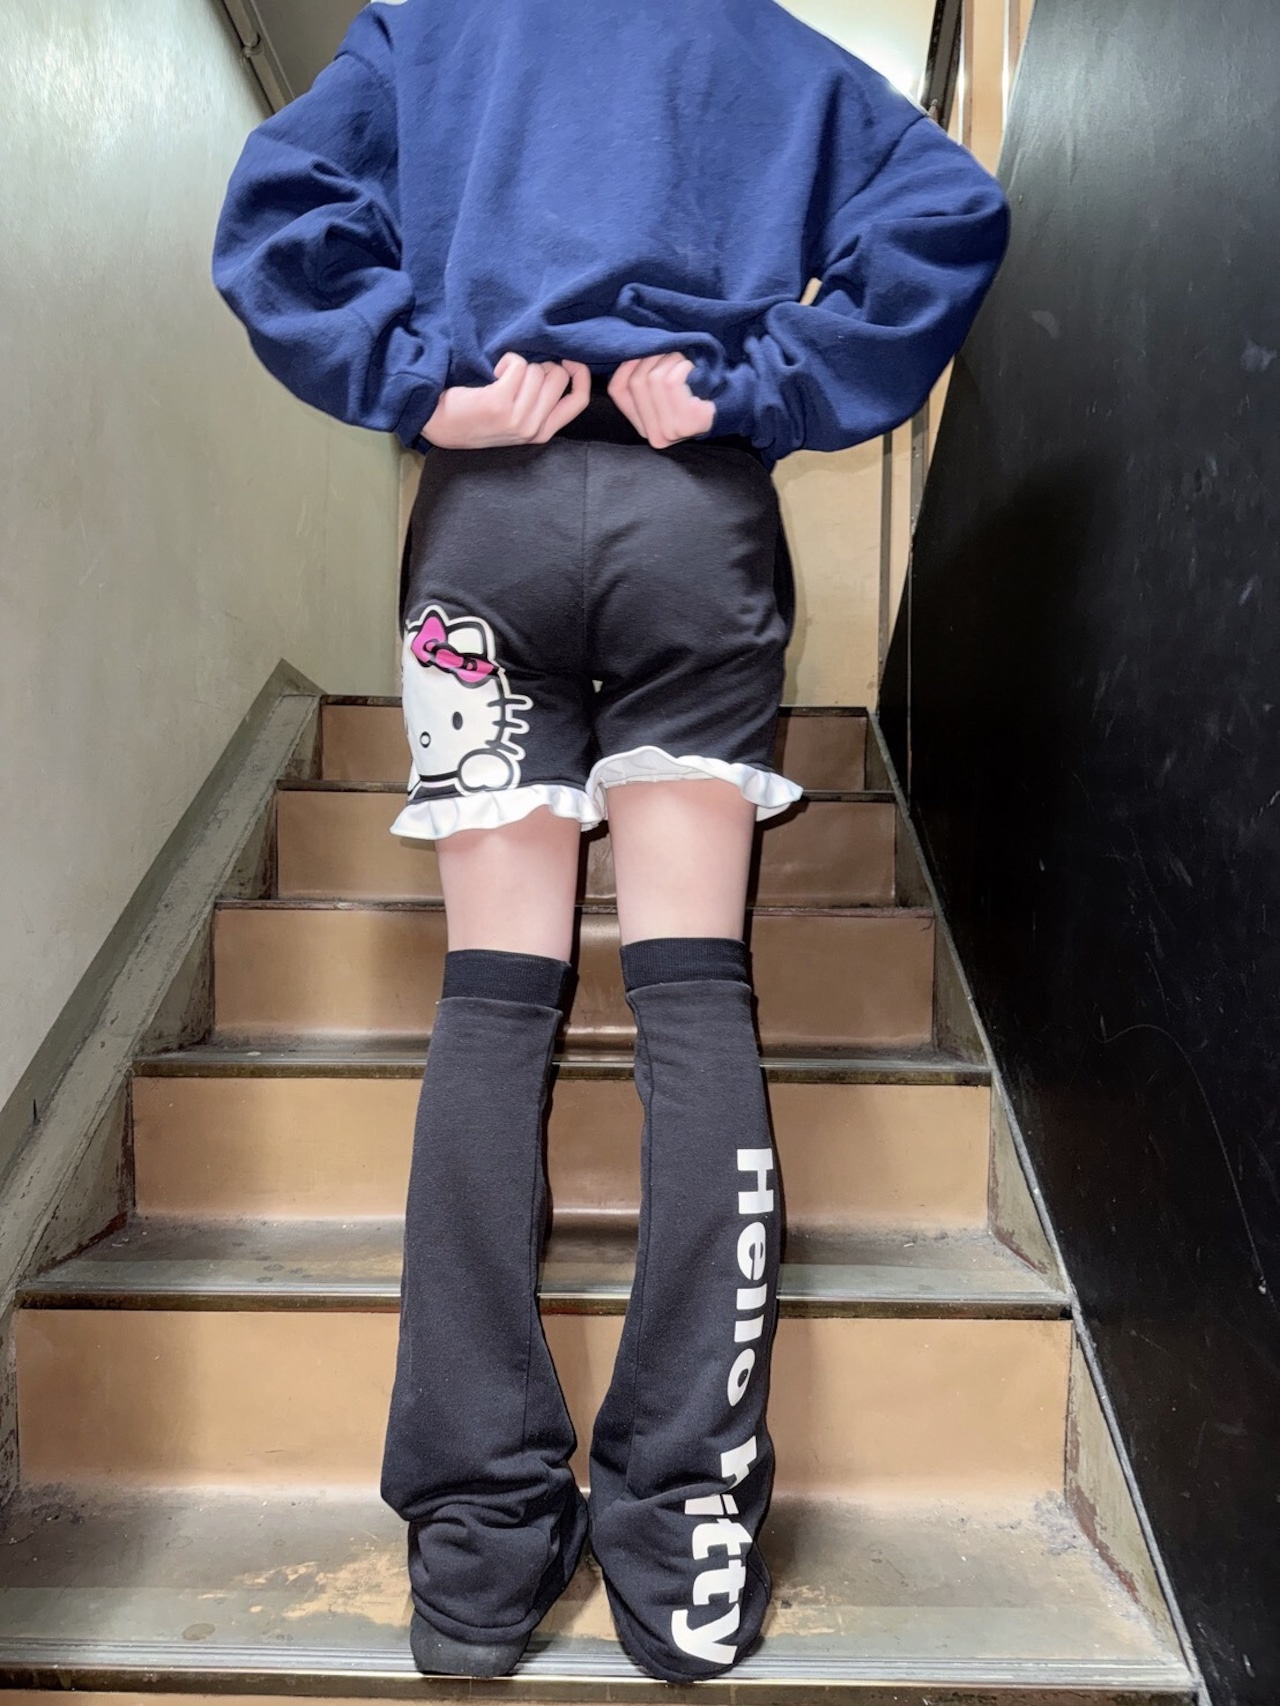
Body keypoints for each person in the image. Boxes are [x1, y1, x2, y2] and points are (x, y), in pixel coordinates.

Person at [211, 0, 1009, 1683]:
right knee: (693, 996)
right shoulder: (760, 45)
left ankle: (476, 1560)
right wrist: (758, 387)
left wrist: (428, 384)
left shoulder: (428, 33)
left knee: (494, 1006)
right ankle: (686, 1535)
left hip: (484, 530)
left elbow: (277, 210)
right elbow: (947, 208)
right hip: (690, 521)